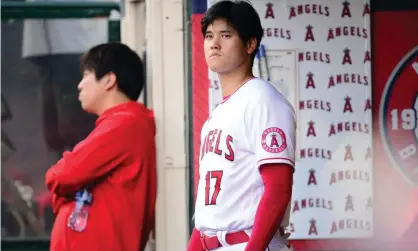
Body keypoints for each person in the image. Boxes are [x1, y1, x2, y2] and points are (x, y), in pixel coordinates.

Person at [187, 1, 296, 251]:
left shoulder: (263, 100)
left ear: (250, 44)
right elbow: (207, 210)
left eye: (226, 35)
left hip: (248, 243)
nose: (214, 43)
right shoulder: (218, 114)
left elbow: (278, 188)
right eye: (209, 36)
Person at [45, 42, 157, 251]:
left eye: (86, 75)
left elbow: (62, 174)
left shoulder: (125, 123)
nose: (79, 85)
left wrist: (61, 180)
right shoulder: (118, 123)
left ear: (108, 80)